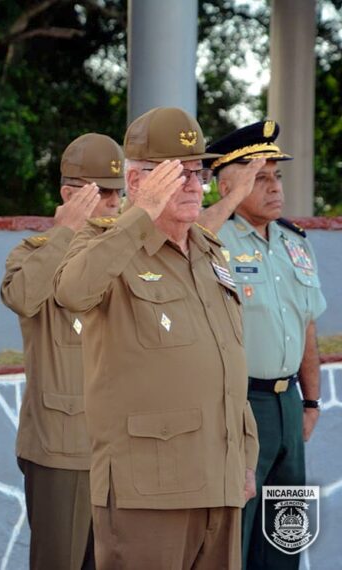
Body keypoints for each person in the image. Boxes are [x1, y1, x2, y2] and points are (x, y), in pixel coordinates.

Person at [53, 107, 260, 569]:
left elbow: (228, 359)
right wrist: (141, 214)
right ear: (136, 182)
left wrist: (244, 458)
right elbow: (73, 292)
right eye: (175, 173)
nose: (193, 184)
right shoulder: (104, 244)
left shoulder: (209, 252)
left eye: (197, 171)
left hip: (219, 484)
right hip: (148, 493)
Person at [198, 121, 326, 570]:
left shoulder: (295, 244)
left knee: (284, 531)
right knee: (237, 532)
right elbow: (179, 240)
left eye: (276, 177)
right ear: (228, 185)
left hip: (287, 405)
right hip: (240, 405)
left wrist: (311, 401)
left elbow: (306, 325)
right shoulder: (212, 239)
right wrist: (229, 199)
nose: (275, 188)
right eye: (260, 177)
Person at [1, 132, 123, 570]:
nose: (113, 201)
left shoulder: (128, 253)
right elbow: (21, 297)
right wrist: (66, 230)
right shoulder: (36, 252)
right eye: (101, 191)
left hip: (122, 449)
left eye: (117, 191)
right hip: (62, 447)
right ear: (70, 193)